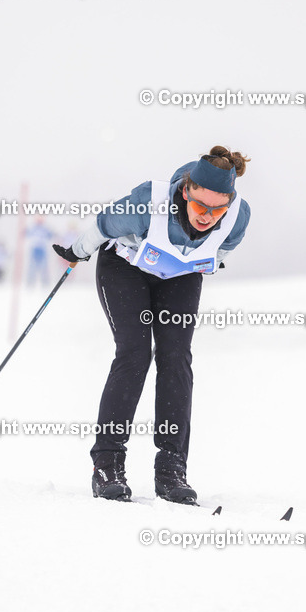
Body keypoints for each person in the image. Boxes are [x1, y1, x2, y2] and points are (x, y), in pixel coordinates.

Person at [53, 146, 251, 504]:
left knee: (176, 357)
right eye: (200, 206)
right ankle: (108, 464)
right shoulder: (149, 203)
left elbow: (221, 252)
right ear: (186, 191)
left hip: (179, 275)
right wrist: (77, 252)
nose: (208, 216)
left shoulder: (238, 216)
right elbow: (101, 226)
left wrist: (203, 263)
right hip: (124, 268)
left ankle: (171, 469)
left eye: (217, 209)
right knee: (134, 354)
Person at [25, 217, 53, 287]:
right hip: (35, 249)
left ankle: (45, 283)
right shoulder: (33, 228)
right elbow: (27, 233)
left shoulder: (45, 228)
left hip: (42, 249)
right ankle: (30, 283)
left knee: (44, 267)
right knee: (32, 267)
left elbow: (50, 235)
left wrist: (52, 233)